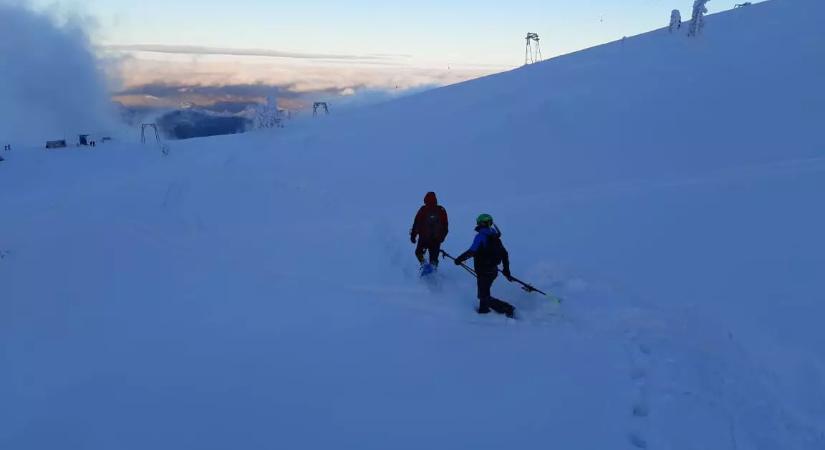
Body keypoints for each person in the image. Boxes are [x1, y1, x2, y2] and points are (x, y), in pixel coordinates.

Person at [454, 214, 516, 318]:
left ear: (481, 223)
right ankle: (485, 312)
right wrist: (506, 270)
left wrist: (459, 259)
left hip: (483, 270)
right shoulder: (495, 237)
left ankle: (505, 309)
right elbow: (504, 254)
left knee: (484, 296)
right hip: (493, 271)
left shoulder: (481, 236)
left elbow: (472, 251)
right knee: (484, 294)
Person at [410, 192, 449, 268]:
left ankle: (424, 265)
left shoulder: (423, 209)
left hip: (424, 239)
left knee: (418, 253)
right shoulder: (441, 210)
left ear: (425, 200)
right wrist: (441, 238)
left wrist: (413, 236)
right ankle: (433, 272)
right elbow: (445, 226)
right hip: (436, 240)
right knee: (434, 259)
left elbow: (416, 223)